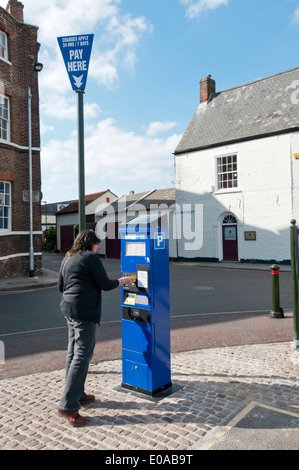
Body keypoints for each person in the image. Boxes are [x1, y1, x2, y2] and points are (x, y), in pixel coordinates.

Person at [57, 229, 134, 427]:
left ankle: (78, 393)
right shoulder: (90, 257)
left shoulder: (68, 257)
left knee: (73, 354)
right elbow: (105, 284)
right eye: (97, 243)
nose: (98, 246)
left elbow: (60, 285)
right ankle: (68, 405)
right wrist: (122, 281)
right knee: (82, 355)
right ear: (89, 243)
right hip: (83, 312)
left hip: (68, 308)